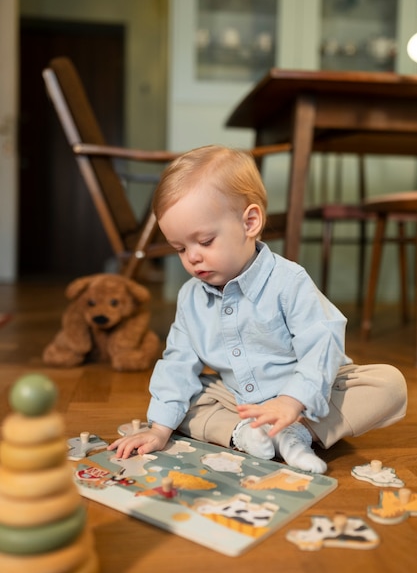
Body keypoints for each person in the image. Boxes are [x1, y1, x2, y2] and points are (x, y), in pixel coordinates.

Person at [109, 145, 407, 473]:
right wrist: (158, 429)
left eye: (205, 242)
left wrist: (293, 401)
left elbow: (322, 343)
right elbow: (178, 364)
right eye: (180, 248)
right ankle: (244, 436)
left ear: (249, 222)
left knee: (389, 383)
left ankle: (297, 432)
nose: (192, 257)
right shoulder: (190, 297)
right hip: (240, 402)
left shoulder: (289, 280)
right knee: (183, 395)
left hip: (307, 394)